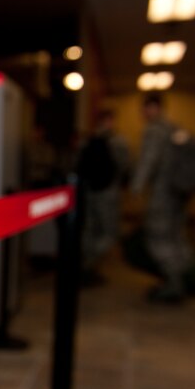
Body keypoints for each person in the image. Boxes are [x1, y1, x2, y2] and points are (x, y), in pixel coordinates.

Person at [131, 93, 192, 303]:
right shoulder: (176, 129)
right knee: (175, 236)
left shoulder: (155, 130)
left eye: (145, 108)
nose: (143, 113)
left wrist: (136, 186)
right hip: (179, 194)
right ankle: (182, 279)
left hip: (162, 195)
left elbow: (149, 160)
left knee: (158, 238)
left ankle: (174, 285)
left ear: (152, 108)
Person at [78, 109, 130, 283]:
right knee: (110, 233)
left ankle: (84, 265)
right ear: (110, 121)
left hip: (88, 192)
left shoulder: (86, 140)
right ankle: (88, 263)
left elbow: (77, 165)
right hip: (108, 193)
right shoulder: (118, 141)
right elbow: (124, 166)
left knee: (90, 230)